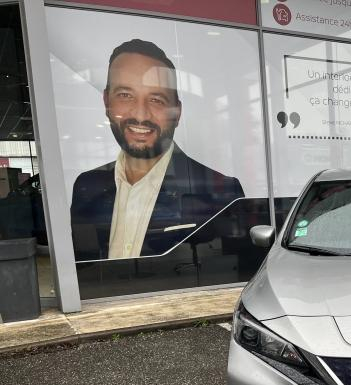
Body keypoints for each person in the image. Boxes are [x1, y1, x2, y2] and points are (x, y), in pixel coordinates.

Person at [70, 39, 244, 260]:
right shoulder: (86, 186)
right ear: (107, 101)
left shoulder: (224, 195)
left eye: (156, 99)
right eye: (125, 95)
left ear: (177, 112)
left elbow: (231, 275)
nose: (141, 115)